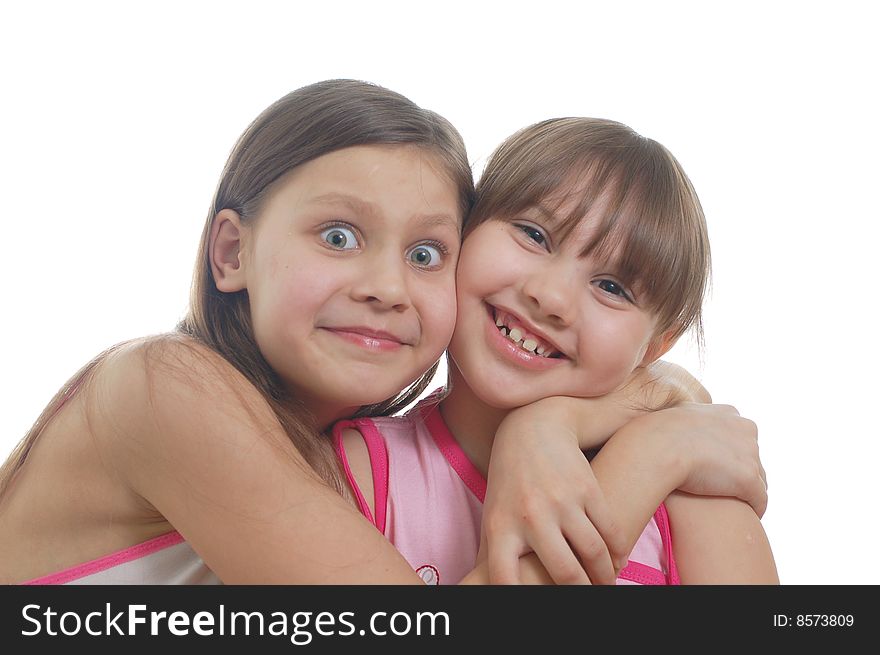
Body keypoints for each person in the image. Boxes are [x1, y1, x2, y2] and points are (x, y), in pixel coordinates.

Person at [0, 81, 766, 585]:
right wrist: (651, 450)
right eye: (337, 236)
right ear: (232, 252)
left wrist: (558, 419)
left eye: (426, 253)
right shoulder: (163, 387)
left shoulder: (324, 451)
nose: (386, 285)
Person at [334, 117, 778, 584]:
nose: (551, 298)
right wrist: (647, 459)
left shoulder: (696, 498)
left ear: (657, 345)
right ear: (463, 228)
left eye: (611, 287)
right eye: (534, 234)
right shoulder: (358, 468)